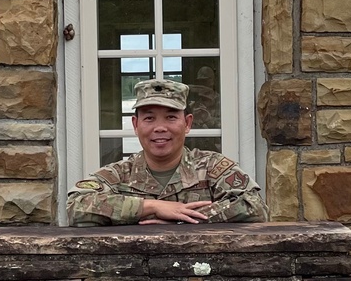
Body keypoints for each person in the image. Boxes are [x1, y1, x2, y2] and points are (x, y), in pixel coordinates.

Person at [67, 78, 266, 226]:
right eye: (149, 118)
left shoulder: (212, 168)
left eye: (171, 117)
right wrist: (152, 207)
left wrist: (182, 221)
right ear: (135, 125)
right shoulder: (119, 175)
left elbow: (254, 206)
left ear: (187, 123)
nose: (160, 128)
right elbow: (76, 206)